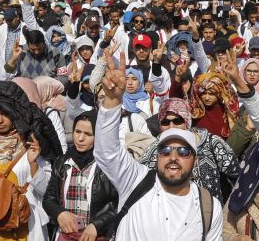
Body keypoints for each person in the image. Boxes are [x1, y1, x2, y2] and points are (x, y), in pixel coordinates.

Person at [93, 51, 223, 240]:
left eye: (184, 151)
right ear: (157, 155)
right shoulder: (136, 181)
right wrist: (112, 103)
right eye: (166, 150)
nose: (173, 157)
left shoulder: (208, 206)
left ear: (195, 161)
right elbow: (107, 152)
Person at [0, 81, 62, 240]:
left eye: (5, 113)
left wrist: (34, 164)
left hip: (21, 225)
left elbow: (48, 191)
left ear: (16, 114)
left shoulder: (33, 141)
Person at [139, 98, 240, 202]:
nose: (172, 126)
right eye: (165, 122)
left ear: (187, 120)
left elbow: (237, 177)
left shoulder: (212, 143)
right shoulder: (154, 150)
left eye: (178, 121)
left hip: (209, 214)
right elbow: (141, 186)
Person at [43, 110, 118, 241]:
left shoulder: (107, 166)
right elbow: (49, 198)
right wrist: (59, 213)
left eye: (88, 134)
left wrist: (97, 225)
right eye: (77, 132)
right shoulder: (62, 162)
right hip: (66, 236)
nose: (80, 138)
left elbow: (119, 204)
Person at [191, 71, 239, 139]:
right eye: (204, 93)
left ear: (218, 94)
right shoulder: (195, 111)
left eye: (211, 94)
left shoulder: (227, 113)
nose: (207, 98)